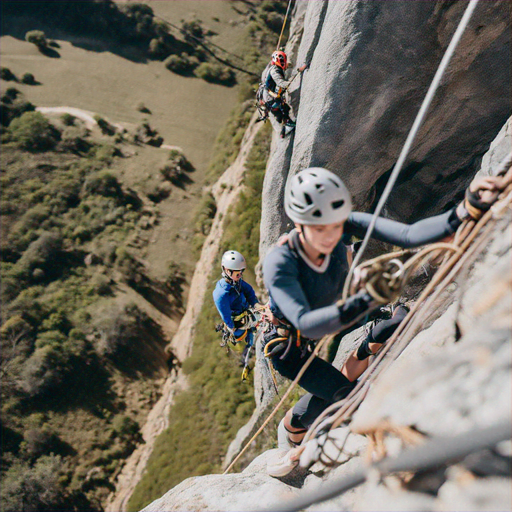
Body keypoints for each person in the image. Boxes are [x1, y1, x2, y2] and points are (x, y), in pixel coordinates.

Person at [262, 167, 501, 476]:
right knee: (348, 397)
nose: (332, 236)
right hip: (287, 349)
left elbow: (408, 234)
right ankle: (292, 431)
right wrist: (366, 298)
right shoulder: (281, 261)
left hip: (325, 319)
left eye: (336, 226)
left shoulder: (342, 225)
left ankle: (299, 420)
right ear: (299, 224)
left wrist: (463, 209)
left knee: (338, 387)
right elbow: (306, 323)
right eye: (321, 229)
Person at [213, 250, 259, 365]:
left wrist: (255, 304)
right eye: (238, 273)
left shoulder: (237, 282)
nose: (240, 276)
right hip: (236, 323)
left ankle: (250, 351)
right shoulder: (221, 293)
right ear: (227, 271)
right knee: (242, 340)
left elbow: (248, 290)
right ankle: (244, 358)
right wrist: (231, 327)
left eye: (241, 272)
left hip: (246, 315)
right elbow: (225, 313)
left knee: (253, 335)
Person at [260, 50, 307, 138]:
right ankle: (287, 127)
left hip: (269, 100)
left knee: (282, 111)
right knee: (284, 109)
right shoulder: (274, 71)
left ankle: (283, 131)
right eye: (283, 61)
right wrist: (298, 72)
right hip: (271, 100)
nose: (284, 63)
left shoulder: (273, 68)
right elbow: (282, 83)